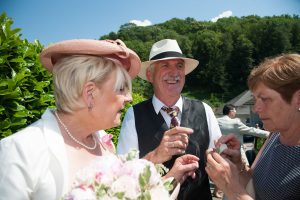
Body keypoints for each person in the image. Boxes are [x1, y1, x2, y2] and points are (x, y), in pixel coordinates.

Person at [0, 39, 200, 199]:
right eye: (121, 89)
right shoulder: (18, 151)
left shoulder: (103, 143)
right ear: (90, 93)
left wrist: (167, 173)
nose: (129, 98)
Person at [117, 39, 222, 199]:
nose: (174, 72)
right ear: (149, 75)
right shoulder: (133, 115)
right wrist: (156, 155)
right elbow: (123, 175)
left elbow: (219, 165)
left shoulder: (205, 110)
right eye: (165, 65)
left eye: (179, 66)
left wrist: (226, 160)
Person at [206, 53, 300, 200]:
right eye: (256, 99)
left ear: (298, 99)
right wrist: (238, 165)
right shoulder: (274, 136)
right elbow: (253, 184)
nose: (256, 108)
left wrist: (232, 189)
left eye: (265, 99)